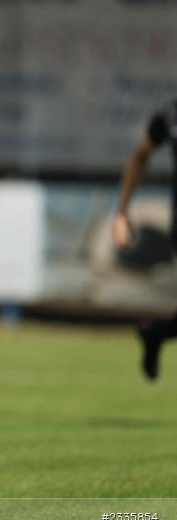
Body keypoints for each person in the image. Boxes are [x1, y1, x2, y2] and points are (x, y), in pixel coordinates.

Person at [113, 105, 177, 380]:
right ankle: (156, 333)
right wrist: (122, 212)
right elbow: (140, 157)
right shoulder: (169, 116)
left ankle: (156, 332)